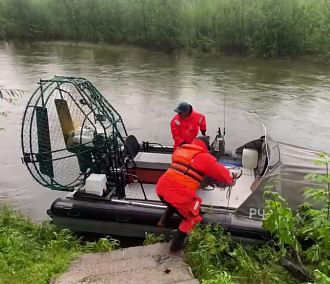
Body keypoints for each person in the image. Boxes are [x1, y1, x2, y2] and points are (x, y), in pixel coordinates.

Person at [155, 136, 236, 253]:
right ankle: (176, 246)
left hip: (161, 187)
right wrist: (231, 178)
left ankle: (162, 222)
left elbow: (184, 168)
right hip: (179, 192)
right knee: (193, 217)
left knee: (172, 202)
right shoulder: (204, 157)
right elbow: (222, 174)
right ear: (206, 147)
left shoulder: (180, 150)